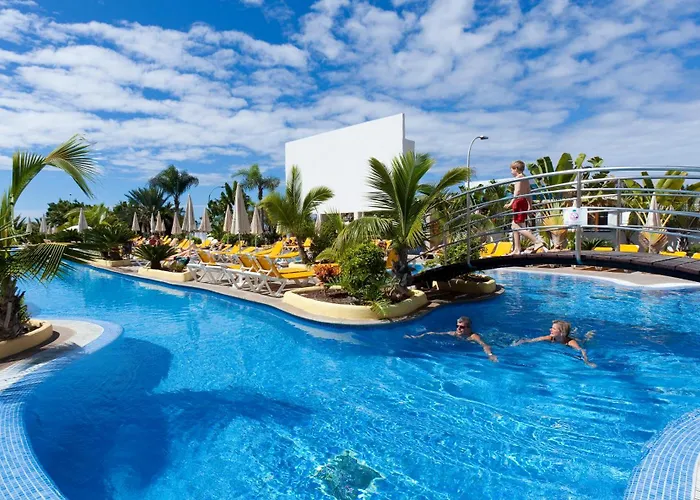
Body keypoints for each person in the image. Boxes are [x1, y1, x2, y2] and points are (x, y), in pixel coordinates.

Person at [405, 316, 498, 362]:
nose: (458, 329)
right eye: (457, 326)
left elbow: (485, 345)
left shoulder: (473, 336)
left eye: (462, 327)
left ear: (469, 328)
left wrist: (490, 355)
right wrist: (417, 337)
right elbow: (433, 333)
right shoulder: (454, 333)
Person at [513, 320, 596, 367]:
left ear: (561, 332)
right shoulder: (549, 338)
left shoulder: (570, 342)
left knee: (583, 342)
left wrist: (587, 362)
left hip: (574, 341)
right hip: (564, 336)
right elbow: (531, 340)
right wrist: (519, 342)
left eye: (553, 329)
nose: (550, 330)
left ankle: (588, 336)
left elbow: (582, 350)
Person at [504, 160, 545, 255]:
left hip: (518, 202)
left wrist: (510, 203)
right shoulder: (526, 179)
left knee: (516, 226)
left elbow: (517, 191)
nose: (511, 172)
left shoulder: (518, 178)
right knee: (514, 225)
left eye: (511, 170)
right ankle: (517, 249)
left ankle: (537, 242)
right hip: (524, 202)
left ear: (516, 169)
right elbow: (528, 192)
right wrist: (530, 204)